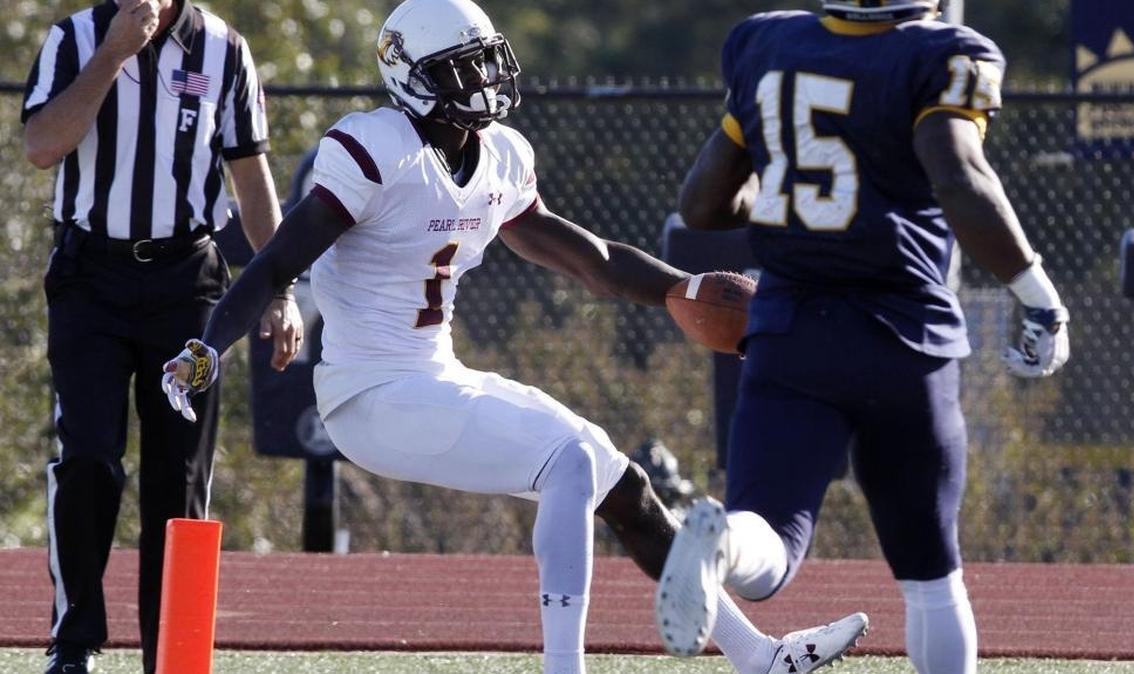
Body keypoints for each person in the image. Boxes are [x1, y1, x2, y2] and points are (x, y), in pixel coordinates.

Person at [159, 0, 867, 672]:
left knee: (623, 485)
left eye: (487, 60)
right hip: (370, 396)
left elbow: (591, 259)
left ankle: (759, 655)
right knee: (568, 462)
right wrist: (206, 348)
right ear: (413, 77)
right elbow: (279, 258)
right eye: (462, 68)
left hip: (437, 378)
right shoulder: (375, 148)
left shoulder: (499, 156)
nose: (485, 79)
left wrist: (680, 288)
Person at [654, 2, 1070, 673]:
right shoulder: (940, 53)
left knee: (769, 545)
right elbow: (958, 176)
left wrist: (784, 191)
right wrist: (1039, 295)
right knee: (932, 573)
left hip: (790, 332)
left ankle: (723, 542)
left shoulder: (769, 41)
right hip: (903, 337)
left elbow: (703, 205)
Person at [21, 1, 302, 672]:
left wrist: (278, 288)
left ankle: (170, 652)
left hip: (187, 286)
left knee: (179, 475)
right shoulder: (74, 38)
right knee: (88, 455)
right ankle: (75, 638)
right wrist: (114, 53)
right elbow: (41, 147)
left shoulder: (224, 49)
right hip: (91, 277)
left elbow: (250, 175)